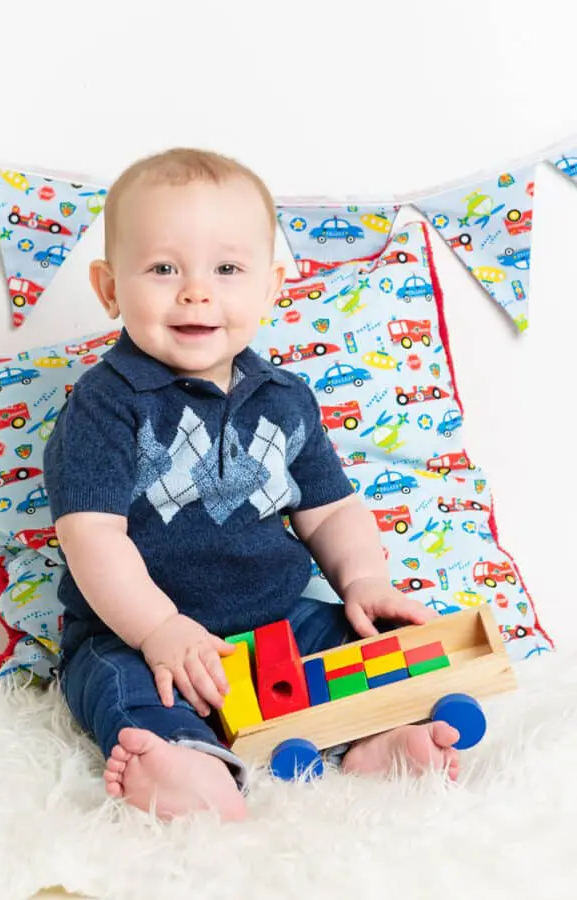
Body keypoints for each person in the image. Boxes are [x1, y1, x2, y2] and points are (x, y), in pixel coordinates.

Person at [44, 147, 461, 823]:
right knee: (124, 689)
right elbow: (93, 536)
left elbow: (330, 512)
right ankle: (183, 765)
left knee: (363, 651)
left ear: (271, 287)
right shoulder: (107, 402)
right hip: (138, 634)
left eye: (227, 268)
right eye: (163, 268)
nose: (196, 291)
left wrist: (365, 584)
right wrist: (159, 628)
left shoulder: (284, 398)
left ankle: (379, 737)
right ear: (109, 287)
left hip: (276, 621)